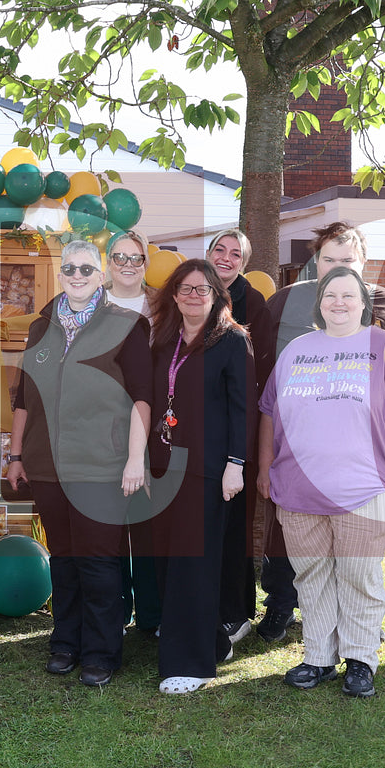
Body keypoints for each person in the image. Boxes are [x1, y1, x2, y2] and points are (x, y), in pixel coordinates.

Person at [258, 267, 385, 698]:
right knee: (311, 576)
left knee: (358, 576)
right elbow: (270, 412)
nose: (339, 302)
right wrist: (265, 467)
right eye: (330, 295)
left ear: (363, 304)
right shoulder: (296, 350)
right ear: (319, 303)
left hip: (364, 489)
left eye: (348, 295)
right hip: (297, 488)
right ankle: (318, 658)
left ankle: (360, 660)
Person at [252, 221, 385, 644]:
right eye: (329, 259)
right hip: (295, 444)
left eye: (348, 260)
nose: (338, 267)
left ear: (364, 262)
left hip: (360, 449)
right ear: (315, 262)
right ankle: (281, 603)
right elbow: (262, 370)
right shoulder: (283, 302)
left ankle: (358, 619)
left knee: (357, 538)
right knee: (289, 529)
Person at [8, 241, 151, 687]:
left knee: (98, 561)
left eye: (86, 268)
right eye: (70, 268)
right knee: (65, 559)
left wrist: (135, 459)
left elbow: (142, 399)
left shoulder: (128, 325)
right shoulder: (41, 327)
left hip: (101, 466)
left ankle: (101, 651)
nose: (77, 275)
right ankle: (65, 643)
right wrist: (16, 455)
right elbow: (23, 398)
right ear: (61, 273)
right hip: (46, 465)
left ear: (100, 274)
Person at [147, 259, 249, 694]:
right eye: (186, 288)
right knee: (170, 561)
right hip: (163, 467)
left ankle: (192, 664)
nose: (193, 296)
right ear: (174, 295)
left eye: (202, 289)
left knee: (194, 563)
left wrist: (235, 465)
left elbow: (242, 409)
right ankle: (212, 641)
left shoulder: (233, 340)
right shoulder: (163, 340)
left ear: (216, 296)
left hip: (208, 470)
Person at [205, 229, 269, 644]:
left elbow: (261, 369)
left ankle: (236, 611)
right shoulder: (192, 291)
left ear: (243, 264)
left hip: (238, 426)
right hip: (198, 429)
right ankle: (202, 605)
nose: (225, 258)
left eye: (235, 254)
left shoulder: (253, 303)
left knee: (234, 524)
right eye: (219, 250)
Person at [104, 230, 159, 636]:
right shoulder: (90, 303)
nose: (127, 264)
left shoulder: (164, 305)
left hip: (154, 424)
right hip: (103, 429)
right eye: (119, 257)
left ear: (145, 263)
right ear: (108, 262)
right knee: (107, 524)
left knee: (149, 523)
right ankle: (117, 608)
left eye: (135, 257)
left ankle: (152, 614)